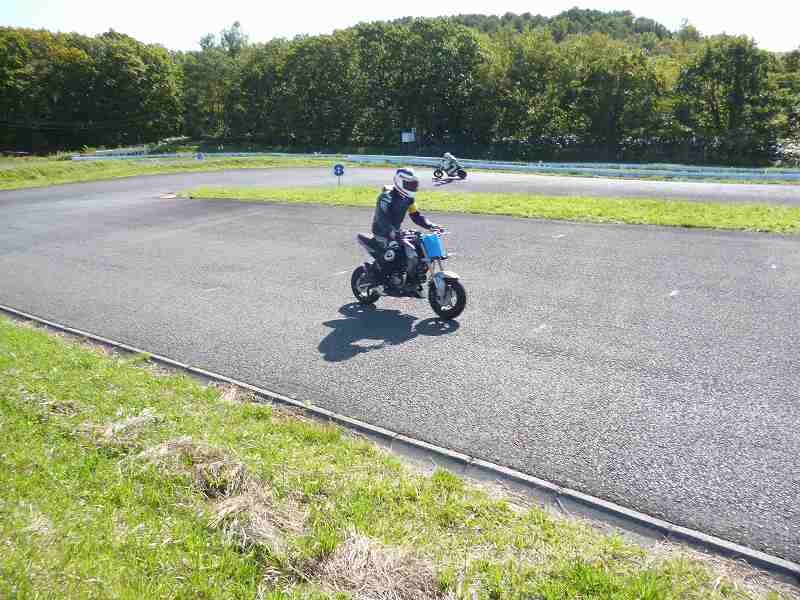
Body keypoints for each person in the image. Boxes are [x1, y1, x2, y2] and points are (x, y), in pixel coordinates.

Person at [363, 167, 439, 290]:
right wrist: (393, 232)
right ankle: (377, 277)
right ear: (400, 182)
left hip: (396, 232)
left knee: (418, 248)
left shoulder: (409, 199)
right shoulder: (386, 197)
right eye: (410, 184)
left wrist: (431, 225)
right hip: (382, 232)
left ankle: (411, 281)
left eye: (414, 184)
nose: (413, 187)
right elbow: (382, 219)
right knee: (395, 252)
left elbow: (416, 216)